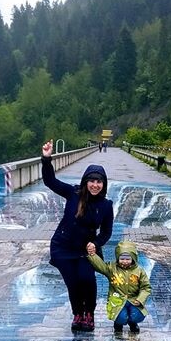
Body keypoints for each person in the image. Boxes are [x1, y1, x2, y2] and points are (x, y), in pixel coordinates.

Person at [41, 140, 114, 331]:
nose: (95, 185)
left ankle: (88, 314)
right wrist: (46, 159)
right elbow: (50, 181)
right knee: (72, 283)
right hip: (63, 247)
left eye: (99, 181)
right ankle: (77, 315)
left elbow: (107, 232)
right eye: (92, 181)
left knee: (87, 280)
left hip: (85, 250)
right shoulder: (73, 193)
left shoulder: (106, 205)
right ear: (85, 181)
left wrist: (96, 243)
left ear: (103, 184)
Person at [87, 239, 151, 335]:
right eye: (122, 259)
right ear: (117, 258)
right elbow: (101, 267)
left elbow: (146, 287)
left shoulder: (139, 271)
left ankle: (132, 323)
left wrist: (140, 299)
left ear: (133, 259)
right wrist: (93, 255)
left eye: (128, 259)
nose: (124, 261)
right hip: (117, 300)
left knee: (136, 315)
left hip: (133, 299)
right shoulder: (112, 268)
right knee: (120, 316)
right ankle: (118, 324)